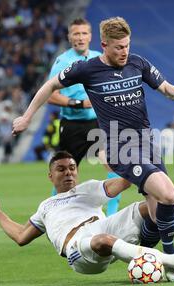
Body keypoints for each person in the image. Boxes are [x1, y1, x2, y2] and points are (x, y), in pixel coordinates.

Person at [12, 17, 174, 281]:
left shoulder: (138, 63)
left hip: (147, 143)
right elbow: (50, 85)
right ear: (104, 45)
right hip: (117, 145)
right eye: (118, 47)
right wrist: (27, 117)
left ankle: (153, 255)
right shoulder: (86, 69)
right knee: (166, 194)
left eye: (126, 45)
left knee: (160, 205)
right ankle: (170, 258)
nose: (124, 51)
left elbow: (165, 87)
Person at [0, 151, 174, 280]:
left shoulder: (87, 189)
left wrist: (112, 164)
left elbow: (123, 181)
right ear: (50, 175)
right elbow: (21, 236)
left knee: (154, 203)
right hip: (78, 248)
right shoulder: (46, 207)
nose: (68, 172)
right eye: (62, 169)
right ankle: (171, 261)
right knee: (102, 240)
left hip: (104, 226)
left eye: (72, 168)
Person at [46, 18, 121, 215]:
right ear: (70, 37)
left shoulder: (100, 58)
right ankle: (54, 215)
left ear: (90, 36)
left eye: (84, 33)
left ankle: (111, 219)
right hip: (72, 125)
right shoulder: (62, 62)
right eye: (76, 34)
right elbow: (50, 95)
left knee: (113, 165)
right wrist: (78, 103)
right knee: (64, 175)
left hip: (98, 122)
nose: (80, 37)